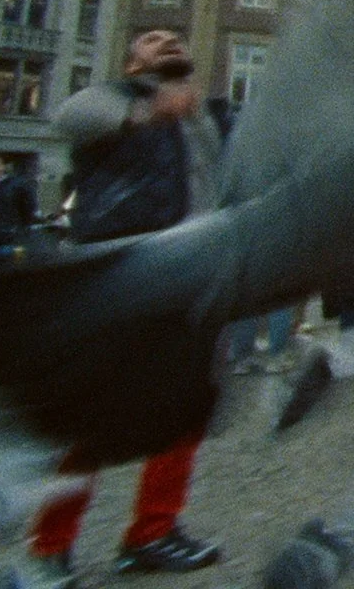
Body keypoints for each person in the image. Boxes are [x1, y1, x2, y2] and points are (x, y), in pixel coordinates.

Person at [27, 31, 224, 585]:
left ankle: (152, 533)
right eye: (153, 40)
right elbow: (70, 117)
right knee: (91, 419)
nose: (169, 42)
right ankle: (50, 546)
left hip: (185, 278)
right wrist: (147, 106)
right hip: (116, 276)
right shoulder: (108, 99)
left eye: (176, 39)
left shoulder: (200, 123)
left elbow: (215, 190)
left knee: (184, 412)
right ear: (132, 63)